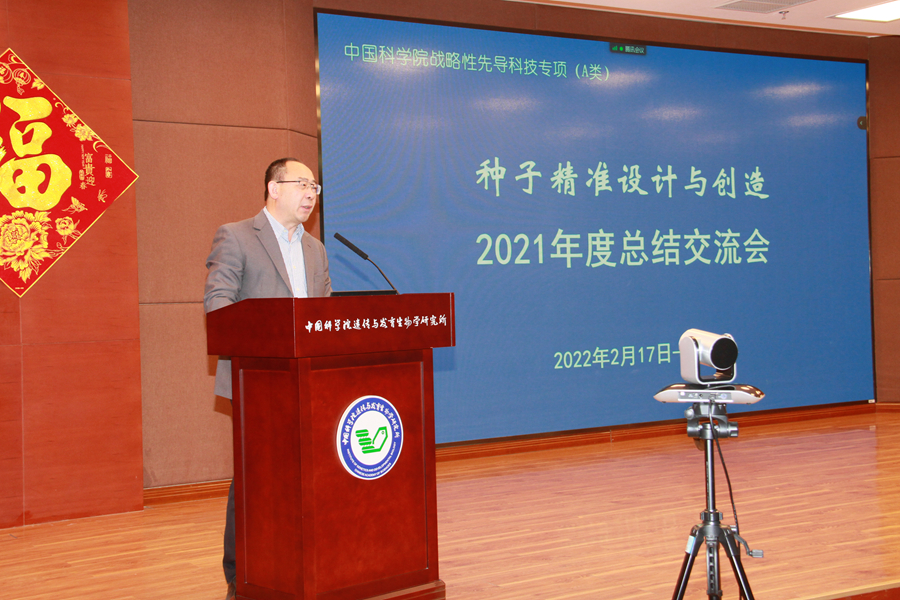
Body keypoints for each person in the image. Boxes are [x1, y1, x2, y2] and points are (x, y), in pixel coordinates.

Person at [204, 158, 332, 600]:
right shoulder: (237, 236)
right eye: (301, 184)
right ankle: (241, 577)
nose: (311, 193)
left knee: (306, 479)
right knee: (255, 481)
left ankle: (298, 567)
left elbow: (325, 315)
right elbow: (219, 306)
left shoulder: (315, 248)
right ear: (274, 189)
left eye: (314, 186)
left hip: (310, 383)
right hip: (257, 382)